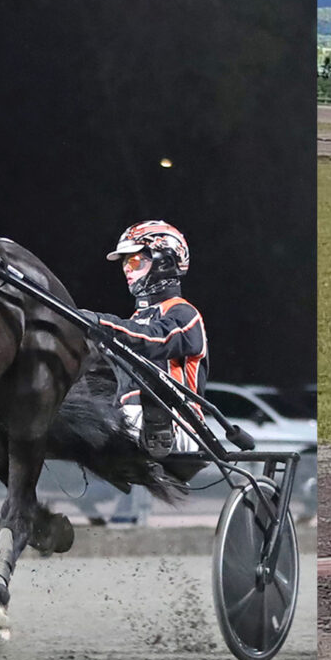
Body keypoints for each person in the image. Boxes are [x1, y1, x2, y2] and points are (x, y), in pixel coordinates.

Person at [80, 222, 206, 526]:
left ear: (164, 262)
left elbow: (154, 340)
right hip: (132, 422)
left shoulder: (184, 314)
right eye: (125, 262)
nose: (127, 269)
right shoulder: (138, 318)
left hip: (180, 428)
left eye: (135, 260)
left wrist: (99, 323)